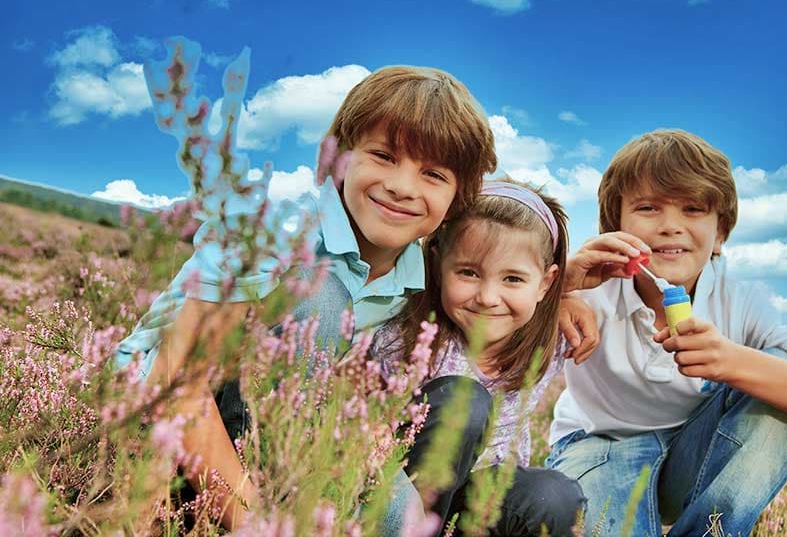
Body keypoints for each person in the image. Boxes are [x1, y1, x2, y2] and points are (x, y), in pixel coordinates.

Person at [114, 65, 500, 530]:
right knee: (320, 295)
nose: (402, 186)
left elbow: (505, 260)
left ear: (458, 198)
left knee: (400, 517)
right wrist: (248, 518)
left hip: (271, 425)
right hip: (155, 406)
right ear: (335, 158)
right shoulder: (272, 228)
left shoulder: (410, 269)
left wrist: (566, 291)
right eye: (382, 155)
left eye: (433, 174)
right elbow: (179, 382)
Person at [546, 128, 787, 537]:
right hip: (597, 445)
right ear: (615, 224)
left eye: (693, 209)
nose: (670, 226)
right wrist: (554, 291)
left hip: (693, 456)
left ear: (721, 232)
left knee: (783, 373)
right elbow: (483, 341)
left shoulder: (744, 302)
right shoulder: (587, 287)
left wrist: (734, 361)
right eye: (648, 208)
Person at [372, 180, 589, 536]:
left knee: (553, 495)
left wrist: (572, 293)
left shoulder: (555, 336)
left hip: (478, 507)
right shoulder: (405, 336)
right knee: (463, 400)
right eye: (469, 273)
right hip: (397, 496)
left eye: (513, 278)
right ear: (439, 264)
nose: (488, 297)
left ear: (546, 284)